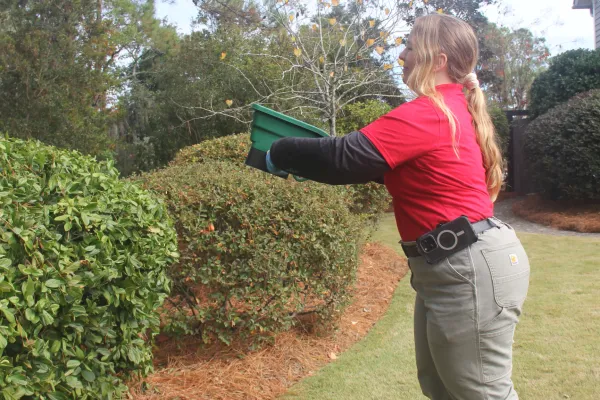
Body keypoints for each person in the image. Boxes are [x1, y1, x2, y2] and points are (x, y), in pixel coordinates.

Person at [265, 13, 530, 400]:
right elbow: (372, 168)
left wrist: (280, 150)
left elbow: (344, 157)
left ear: (437, 60)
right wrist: (303, 163)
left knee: (481, 394)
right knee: (442, 388)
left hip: (467, 266)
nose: (401, 55)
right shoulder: (453, 109)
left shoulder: (431, 113)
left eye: (408, 45)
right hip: (453, 265)